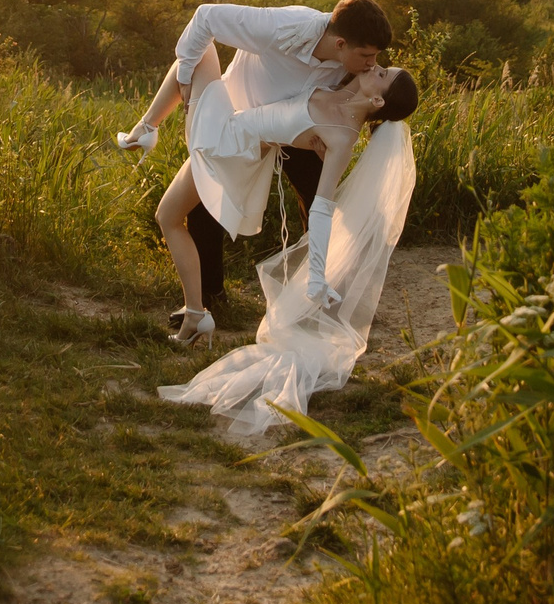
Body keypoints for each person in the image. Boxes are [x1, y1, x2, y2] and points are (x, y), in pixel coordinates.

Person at [157, 66, 420, 434]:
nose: (376, 66)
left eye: (383, 73)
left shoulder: (342, 138)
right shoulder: (333, 93)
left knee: (200, 42)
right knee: (199, 45)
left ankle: (144, 130)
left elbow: (323, 207)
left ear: (377, 100)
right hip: (234, 130)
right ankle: (197, 313)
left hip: (229, 143)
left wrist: (316, 276)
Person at [116, 0, 394, 343]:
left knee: (319, 203)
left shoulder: (351, 62)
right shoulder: (286, 28)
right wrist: (186, 79)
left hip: (277, 134)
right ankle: (206, 300)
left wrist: (341, 136)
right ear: (340, 44)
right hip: (237, 117)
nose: (372, 65)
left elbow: (369, 99)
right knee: (201, 210)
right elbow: (206, 17)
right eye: (368, 57)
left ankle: (325, 294)